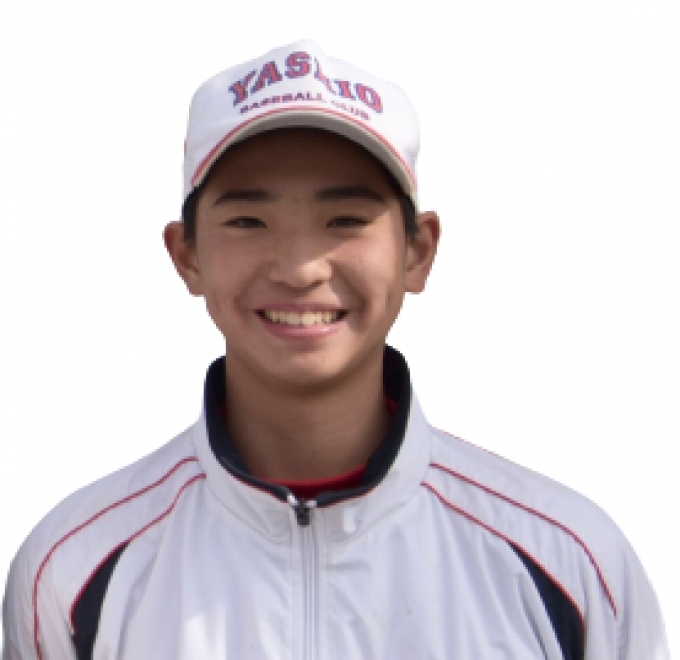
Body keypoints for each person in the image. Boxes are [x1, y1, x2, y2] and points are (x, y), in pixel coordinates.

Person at [2, 41, 670, 660]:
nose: (299, 268)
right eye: (248, 220)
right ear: (187, 255)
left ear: (418, 251)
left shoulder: (569, 563)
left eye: (345, 220)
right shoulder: (73, 572)